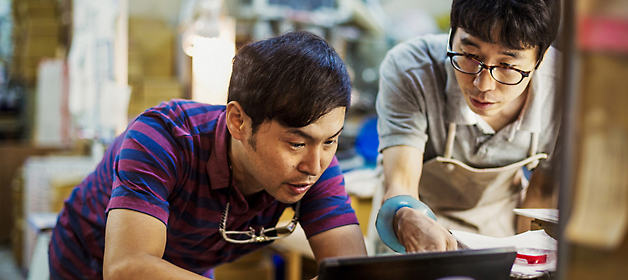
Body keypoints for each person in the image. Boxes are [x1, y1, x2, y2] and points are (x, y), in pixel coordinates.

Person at [49, 31, 367, 280]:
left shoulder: (317, 162)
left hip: (187, 268)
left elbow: (352, 272)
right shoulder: (162, 138)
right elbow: (126, 267)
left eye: (330, 141)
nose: (314, 166)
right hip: (89, 262)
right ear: (238, 122)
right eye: (296, 144)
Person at [373, 0, 562, 253]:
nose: (483, 85)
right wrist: (406, 217)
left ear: (541, 57)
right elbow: (401, 183)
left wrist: (528, 259)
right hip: (412, 232)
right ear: (452, 35)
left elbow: (541, 193)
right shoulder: (412, 70)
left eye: (507, 66)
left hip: (500, 235)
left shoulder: (564, 92)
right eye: (471, 56)